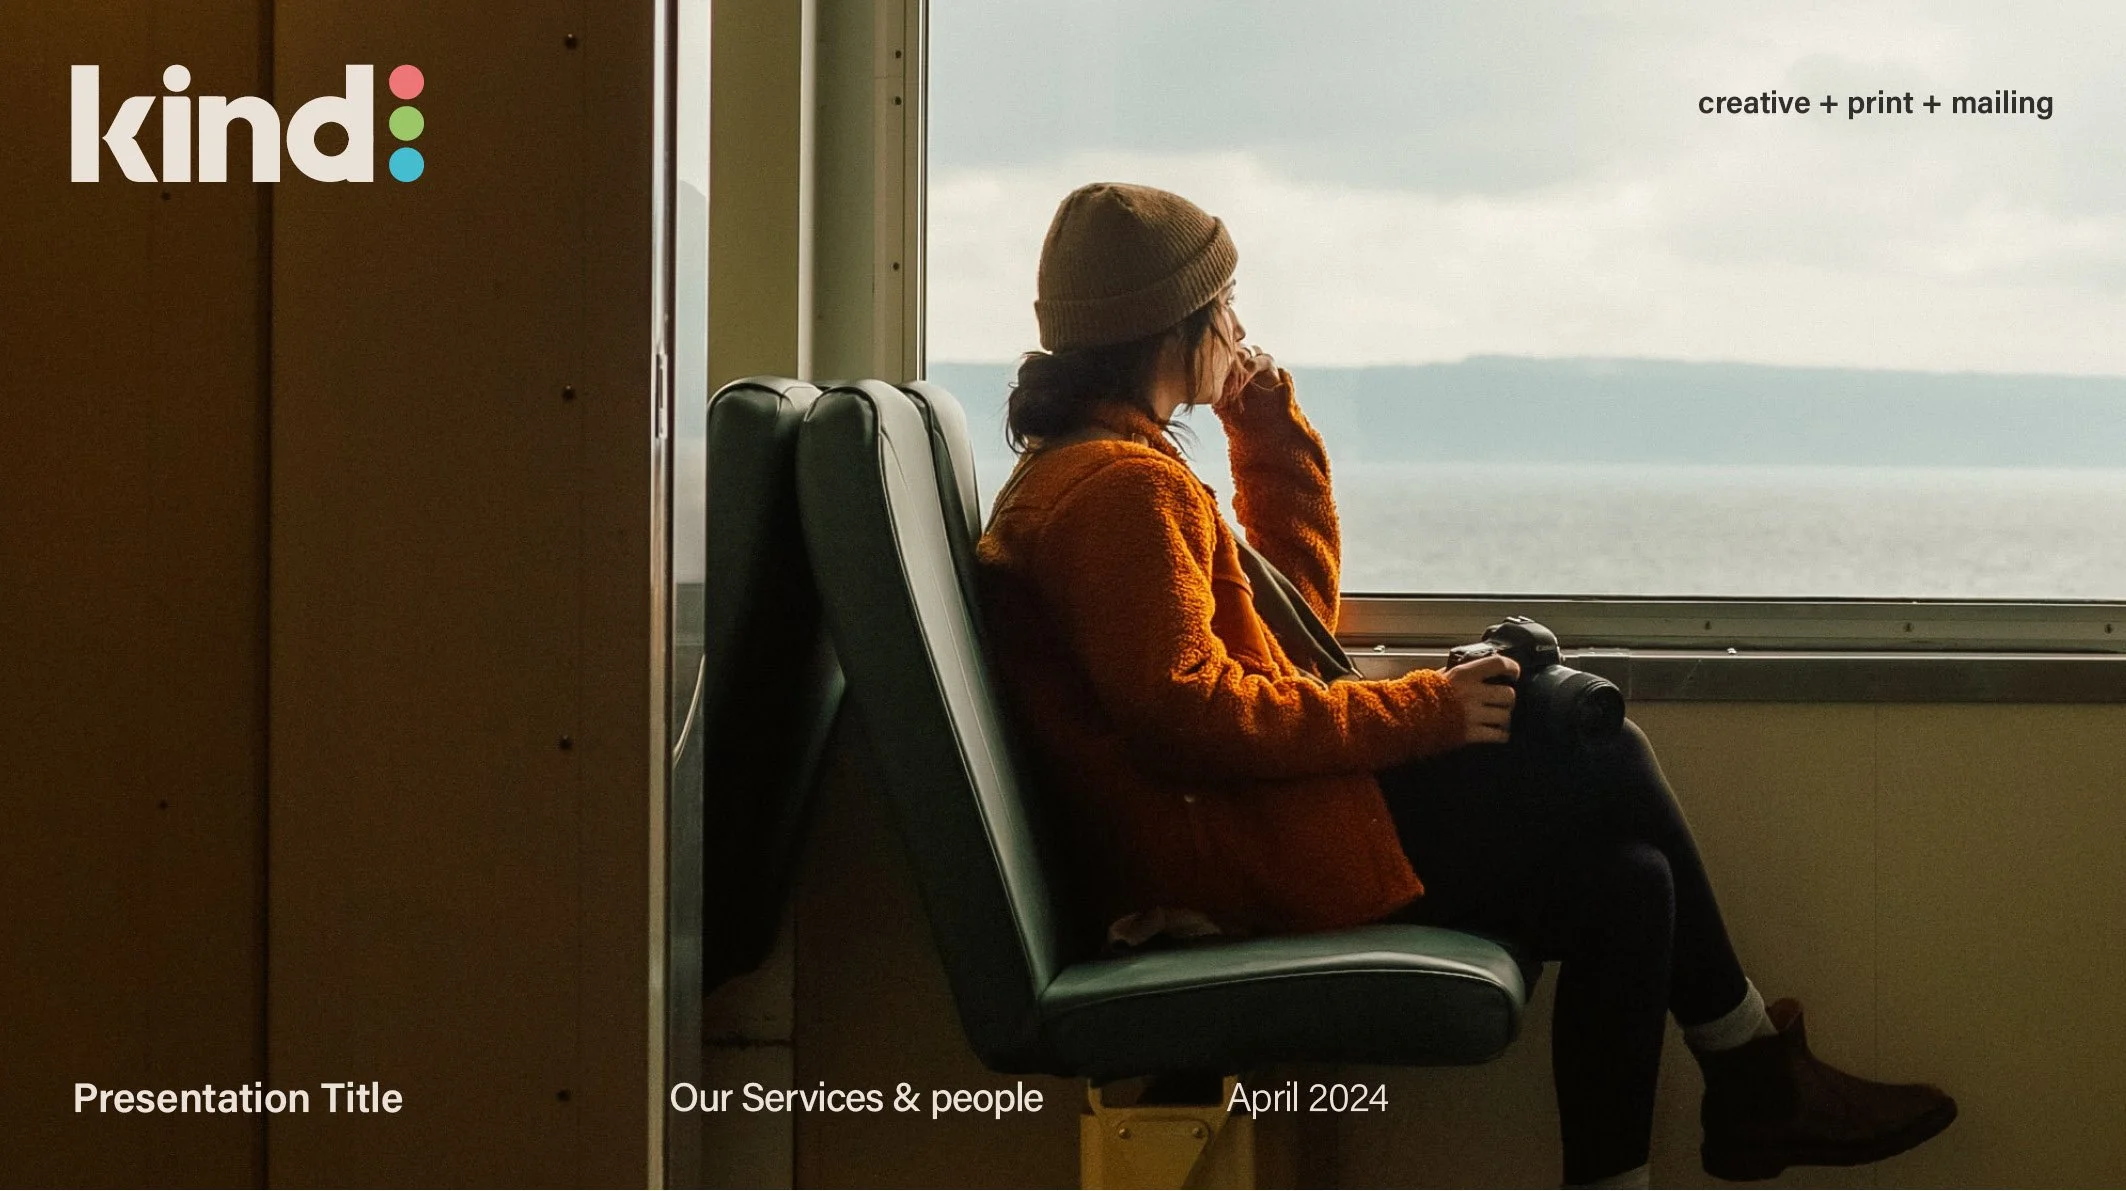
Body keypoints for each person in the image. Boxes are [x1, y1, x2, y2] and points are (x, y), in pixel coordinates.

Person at [973, 182, 1958, 1188]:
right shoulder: (1117, 493)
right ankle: (1752, 1075)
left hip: (1239, 831)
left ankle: (1712, 1110)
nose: (1238, 329)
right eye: (1224, 306)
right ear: (1171, 326)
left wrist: (1264, 434)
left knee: (1631, 885)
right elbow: (1188, 717)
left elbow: (1289, 636)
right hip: (1230, 862)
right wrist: (1424, 712)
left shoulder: (1109, 474)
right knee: (1592, 740)